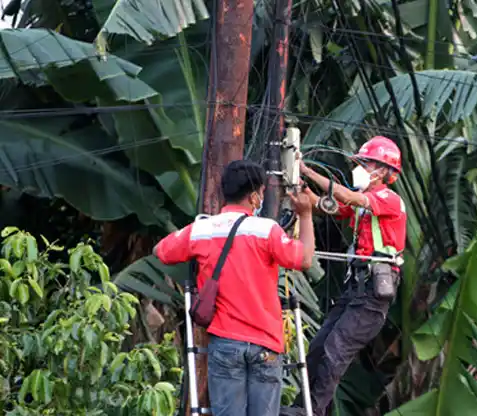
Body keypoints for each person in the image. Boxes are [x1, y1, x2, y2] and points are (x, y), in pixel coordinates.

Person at [154, 160, 315, 416]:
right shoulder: (267, 230)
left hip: (225, 343)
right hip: (266, 344)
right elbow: (304, 259)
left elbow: (161, 251)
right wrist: (305, 215)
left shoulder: (202, 229)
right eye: (261, 192)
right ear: (254, 196)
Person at [298, 136, 407, 416]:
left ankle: (312, 412)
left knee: (335, 351)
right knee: (319, 347)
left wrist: (308, 171)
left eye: (365, 163)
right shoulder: (363, 205)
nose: (358, 168)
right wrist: (299, 188)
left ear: (382, 171)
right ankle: (304, 408)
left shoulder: (387, 199)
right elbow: (326, 205)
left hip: (372, 296)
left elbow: (346, 197)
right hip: (355, 291)